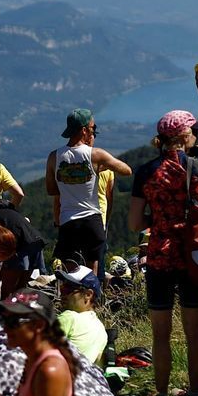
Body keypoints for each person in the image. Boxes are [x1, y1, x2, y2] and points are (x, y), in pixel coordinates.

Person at [128, 110, 198, 396]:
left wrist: (161, 219)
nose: (196, 135)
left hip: (160, 256)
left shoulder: (146, 171)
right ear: (181, 136)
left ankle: (162, 395)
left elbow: (135, 224)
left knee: (160, 334)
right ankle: (195, 395)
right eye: (192, 131)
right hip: (194, 256)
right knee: (194, 330)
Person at [46, 109, 132, 275]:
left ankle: (71, 300)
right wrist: (102, 165)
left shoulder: (53, 157)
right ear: (84, 130)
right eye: (93, 128)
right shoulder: (96, 155)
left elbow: (51, 190)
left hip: (67, 221)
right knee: (91, 274)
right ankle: (91, 299)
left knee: (70, 272)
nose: (93, 131)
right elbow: (126, 170)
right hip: (92, 219)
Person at [54, 264, 107, 364]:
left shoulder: (68, 317)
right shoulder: (101, 330)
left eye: (69, 289)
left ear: (88, 295)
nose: (62, 294)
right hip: (86, 378)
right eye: (62, 288)